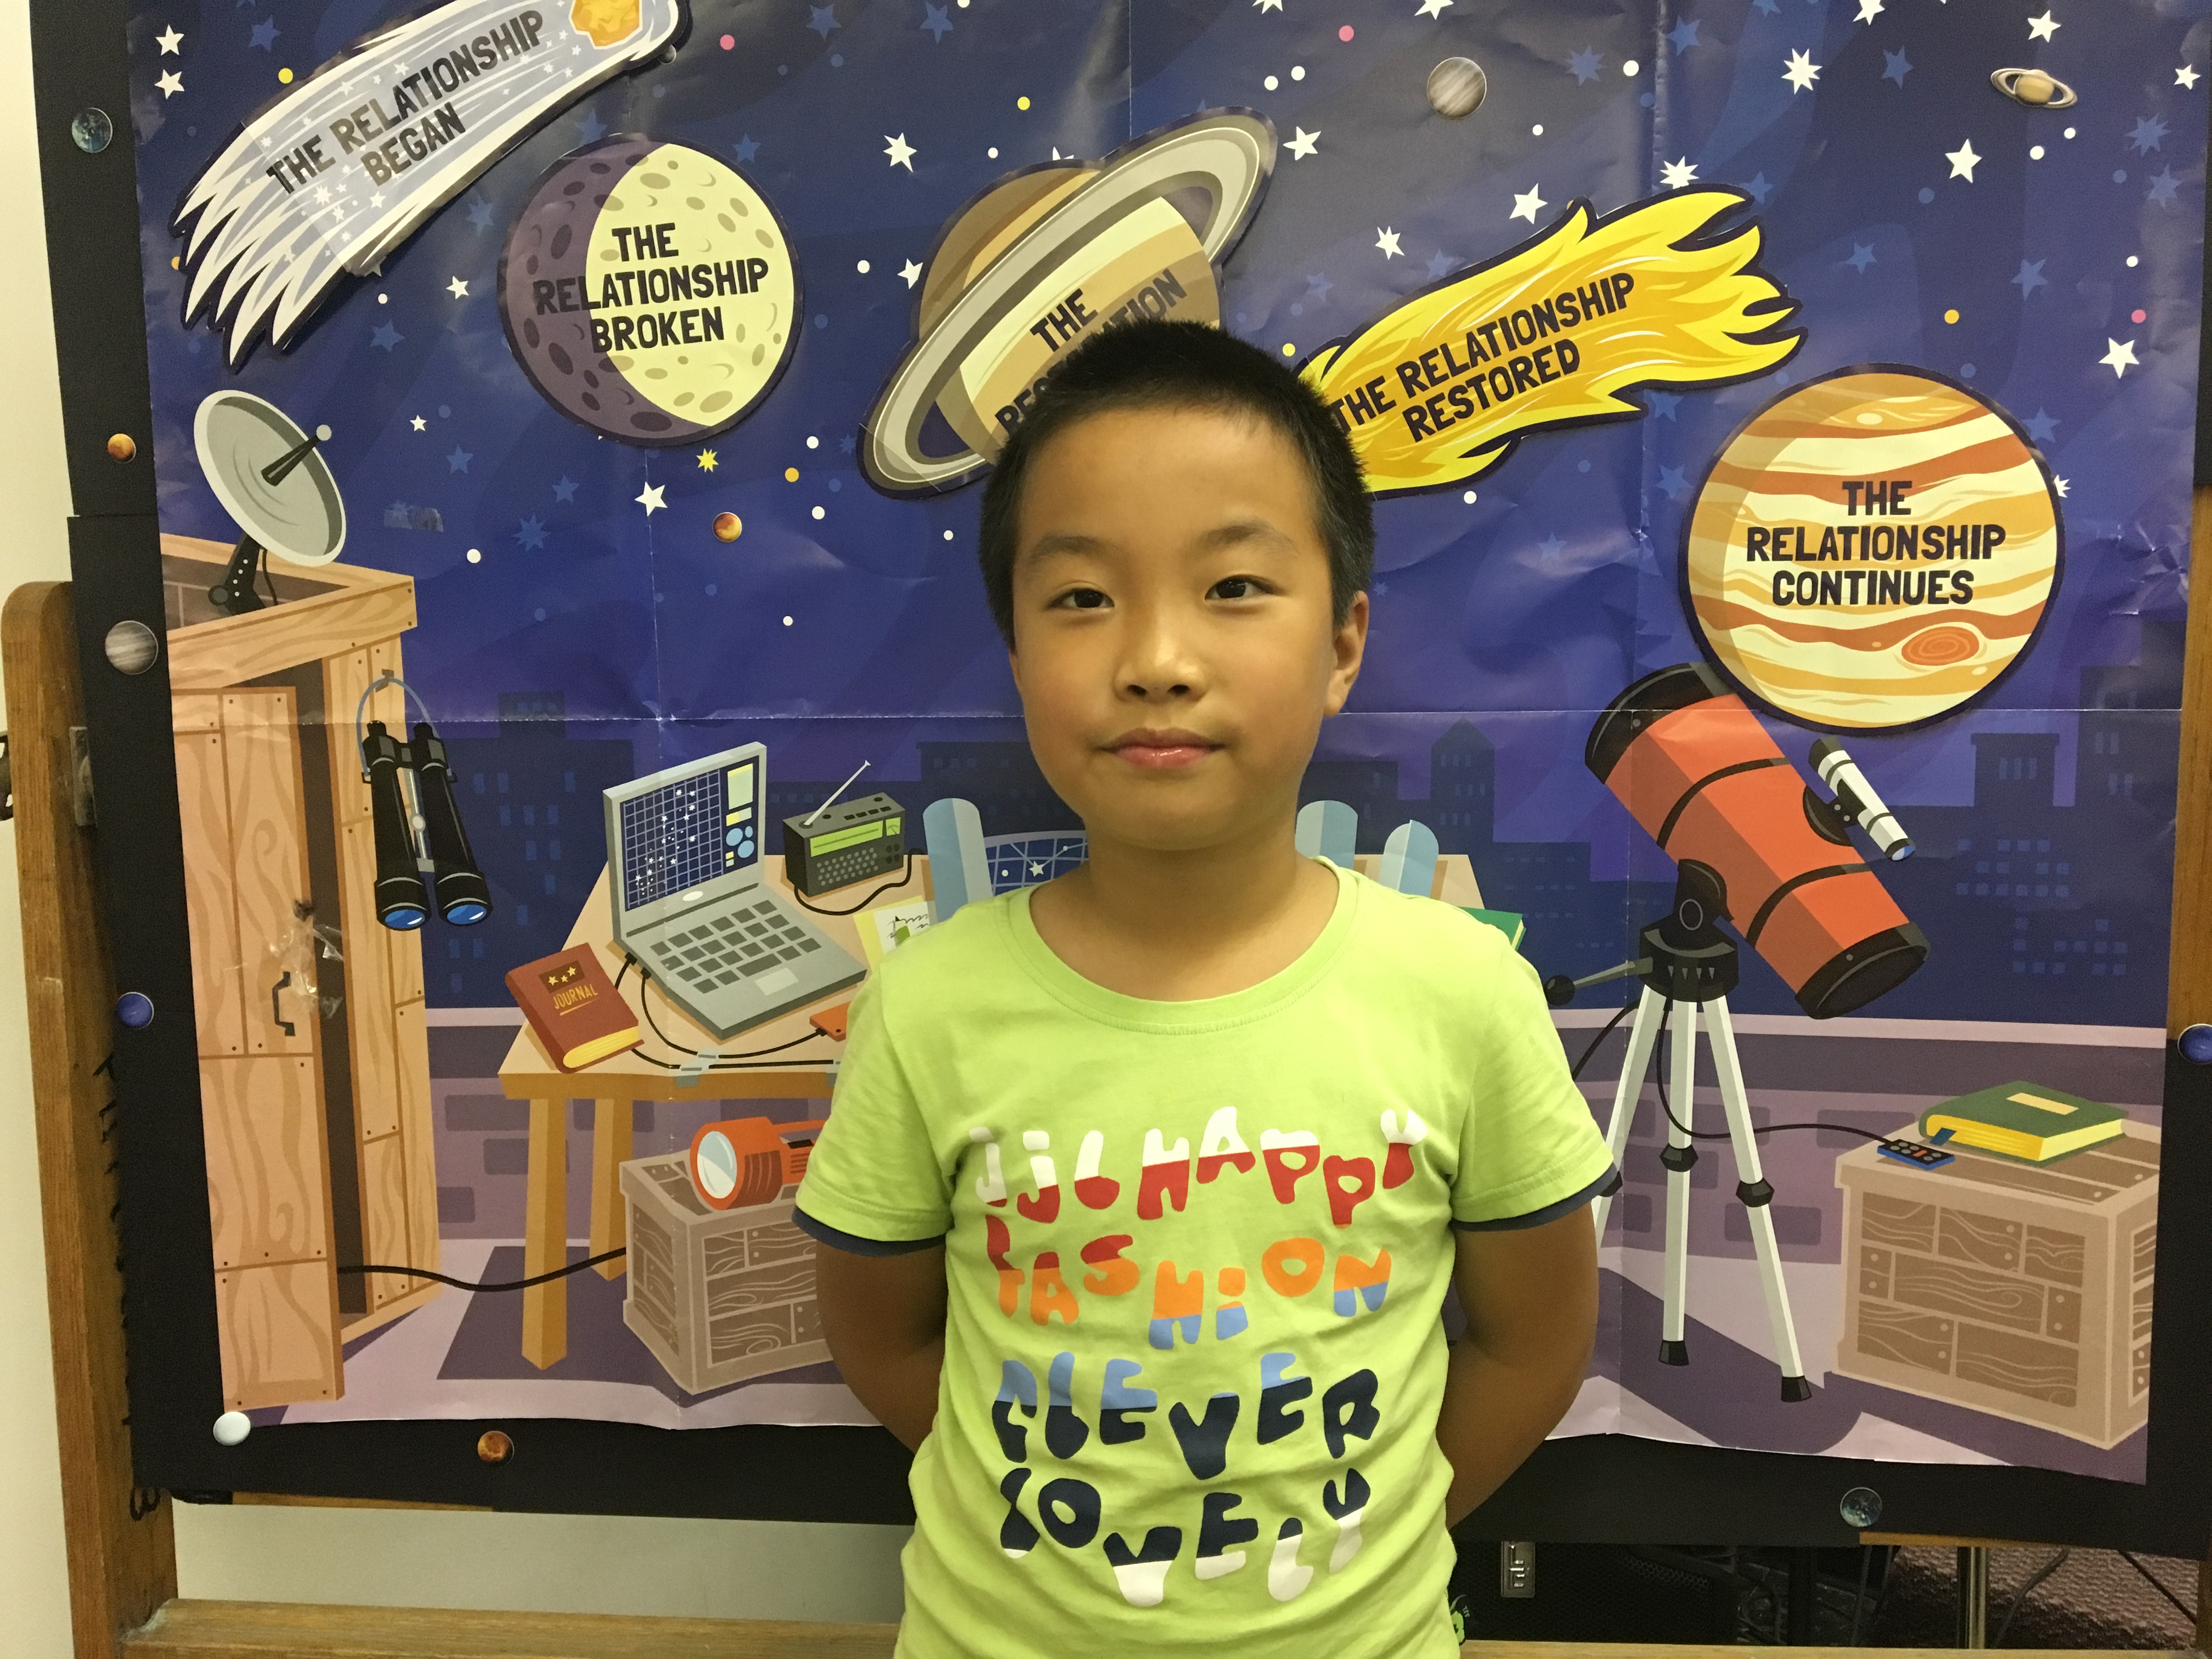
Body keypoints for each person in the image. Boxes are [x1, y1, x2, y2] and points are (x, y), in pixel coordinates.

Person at [793, 318, 1613, 1657]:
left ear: (1343, 644)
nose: (1158, 659)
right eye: (1081, 598)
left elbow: (1533, 1345)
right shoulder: (929, 1005)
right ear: (1016, 653)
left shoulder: (1461, 992)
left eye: (1234, 586)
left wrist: (1359, 1553)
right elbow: (887, 1348)